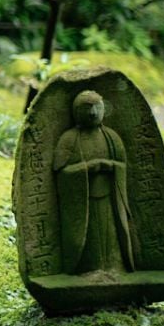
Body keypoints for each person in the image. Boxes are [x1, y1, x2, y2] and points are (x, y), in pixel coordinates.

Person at [53, 90, 137, 277]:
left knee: (111, 235)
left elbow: (122, 166)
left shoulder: (111, 137)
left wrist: (111, 166)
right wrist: (86, 168)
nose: (92, 113)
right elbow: (61, 172)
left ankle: (114, 268)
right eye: (86, 108)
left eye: (96, 107)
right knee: (88, 236)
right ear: (76, 111)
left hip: (110, 197)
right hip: (83, 203)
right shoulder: (69, 138)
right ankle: (88, 270)